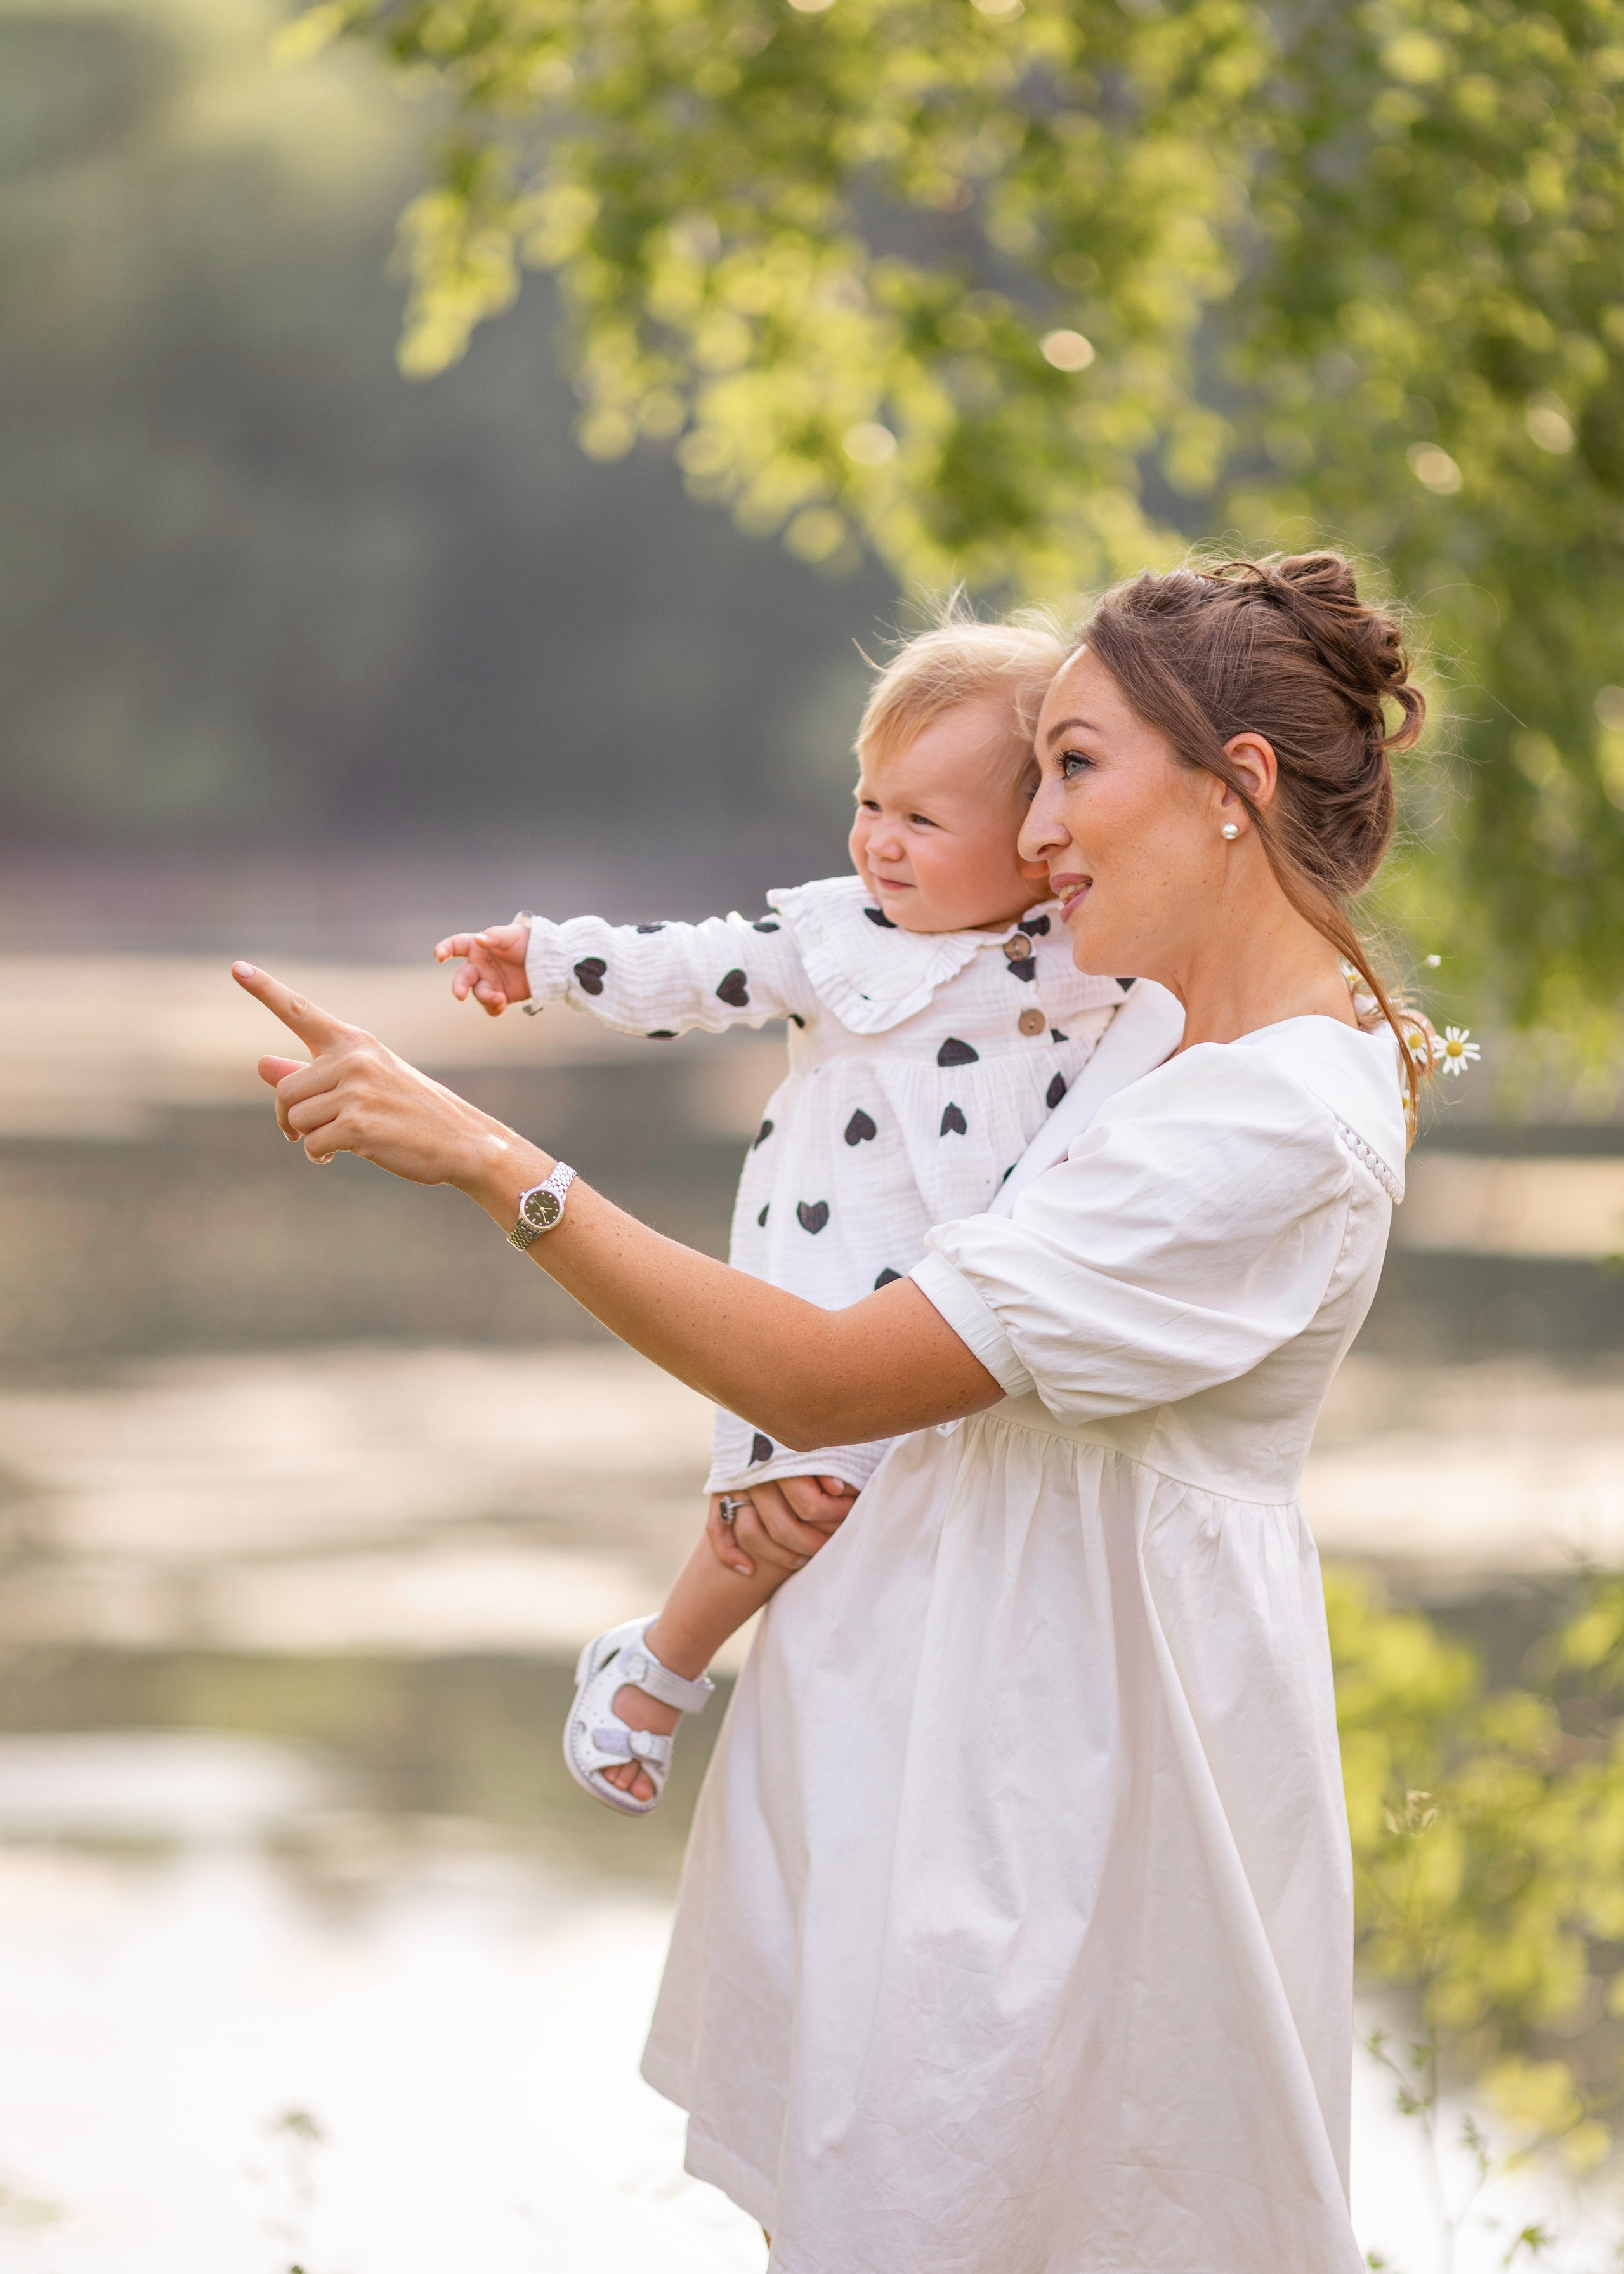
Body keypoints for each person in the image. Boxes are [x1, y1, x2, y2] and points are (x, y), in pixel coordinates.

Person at [233, 551, 1429, 2274]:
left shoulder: (1266, 1124)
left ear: (1238, 787)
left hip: (1065, 1778)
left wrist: (491, 1159)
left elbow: (817, 1374)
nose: (1034, 838)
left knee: (1043, 2201)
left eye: (1074, 769)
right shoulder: (1150, 1032)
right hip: (932, 1698)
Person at [430, 616, 1127, 1814]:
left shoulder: (1089, 947)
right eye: (868, 804)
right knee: (799, 1490)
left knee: (956, 1483)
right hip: (839, 1258)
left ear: (1034, 837)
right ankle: (660, 1663)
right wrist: (546, 960)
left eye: (922, 820)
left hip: (992, 1277)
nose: (878, 844)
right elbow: (694, 970)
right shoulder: (833, 937)